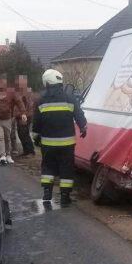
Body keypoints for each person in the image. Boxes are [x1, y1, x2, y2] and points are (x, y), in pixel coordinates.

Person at [32, 69, 87, 206]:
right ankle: (65, 197)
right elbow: (79, 115)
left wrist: (36, 136)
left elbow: (36, 122)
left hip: (48, 144)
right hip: (67, 144)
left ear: (47, 82)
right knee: (66, 168)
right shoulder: (70, 98)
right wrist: (83, 128)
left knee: (48, 167)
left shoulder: (41, 101)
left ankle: (47, 193)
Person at [14, 75, 36, 156]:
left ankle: (30, 151)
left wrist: (24, 115)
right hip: (20, 116)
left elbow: (28, 105)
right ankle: (26, 151)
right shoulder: (19, 92)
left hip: (25, 116)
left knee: (24, 133)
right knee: (21, 133)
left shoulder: (27, 93)